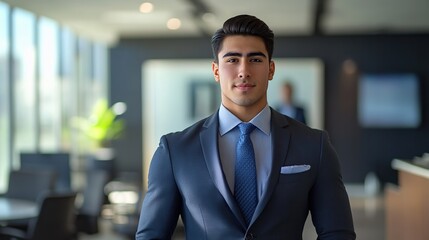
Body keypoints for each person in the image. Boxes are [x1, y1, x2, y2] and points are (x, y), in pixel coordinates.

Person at [136, 14, 356, 240]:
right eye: (232, 60)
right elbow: (151, 236)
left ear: (271, 70)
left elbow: (338, 233)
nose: (244, 70)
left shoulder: (314, 145)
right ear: (216, 71)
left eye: (255, 59)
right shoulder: (174, 150)